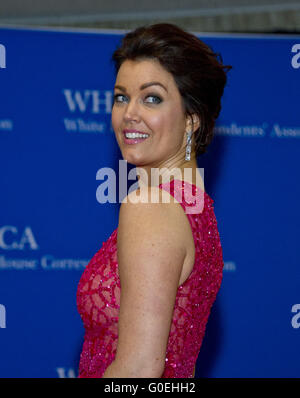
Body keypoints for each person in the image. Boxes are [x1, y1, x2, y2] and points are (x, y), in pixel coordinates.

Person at [76, 22, 231, 378]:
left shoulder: (150, 205)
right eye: (121, 96)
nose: (129, 112)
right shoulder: (196, 208)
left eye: (152, 98)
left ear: (192, 119)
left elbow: (139, 371)